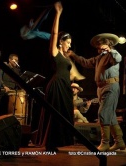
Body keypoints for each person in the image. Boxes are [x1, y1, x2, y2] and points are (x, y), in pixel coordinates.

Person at [66, 33, 126, 151]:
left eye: (100, 44)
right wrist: (73, 55)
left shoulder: (111, 55)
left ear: (107, 44)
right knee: (111, 116)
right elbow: (86, 62)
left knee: (103, 113)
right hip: (102, 88)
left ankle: (105, 143)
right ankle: (119, 141)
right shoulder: (100, 57)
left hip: (110, 87)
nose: (98, 47)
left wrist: (110, 50)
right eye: (98, 45)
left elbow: (119, 58)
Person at [35, 1, 74, 151]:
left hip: (65, 86)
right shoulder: (55, 53)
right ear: (61, 42)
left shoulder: (66, 57)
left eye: (70, 43)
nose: (70, 45)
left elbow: (71, 72)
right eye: (68, 42)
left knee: (64, 114)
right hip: (57, 85)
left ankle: (57, 142)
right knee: (55, 114)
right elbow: (55, 34)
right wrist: (57, 14)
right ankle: (50, 143)